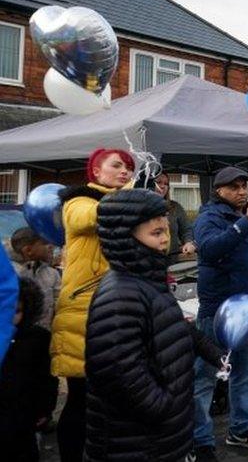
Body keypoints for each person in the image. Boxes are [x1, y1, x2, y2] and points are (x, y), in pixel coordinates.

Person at [85, 189, 225, 461]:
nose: (165, 241)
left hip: (161, 436)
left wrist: (212, 352)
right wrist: (168, 409)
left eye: (165, 231)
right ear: (126, 237)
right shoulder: (120, 294)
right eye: (155, 233)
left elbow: (172, 326)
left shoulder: (148, 280)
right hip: (138, 442)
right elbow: (119, 372)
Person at [52, 147, 134, 462]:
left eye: (128, 167)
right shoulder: (78, 201)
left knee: (112, 398)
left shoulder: (126, 203)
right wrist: (131, 194)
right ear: (96, 172)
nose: (125, 171)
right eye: (117, 166)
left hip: (118, 309)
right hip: (84, 311)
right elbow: (92, 217)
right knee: (81, 398)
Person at [192, 166, 248, 458]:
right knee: (205, 378)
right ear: (219, 190)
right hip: (218, 313)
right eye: (234, 187)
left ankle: (240, 430)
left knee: (245, 374)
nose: (242, 191)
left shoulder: (247, 219)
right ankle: (201, 440)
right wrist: (246, 223)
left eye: (244, 186)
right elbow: (209, 250)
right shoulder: (210, 217)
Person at [0, 279, 58, 461]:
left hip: (24, 414)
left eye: (15, 311)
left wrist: (45, 408)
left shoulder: (38, 338)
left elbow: (47, 377)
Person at [9, 228, 60, 330]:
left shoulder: (52, 274)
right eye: (45, 243)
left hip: (42, 337)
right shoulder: (8, 275)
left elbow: (59, 305)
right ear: (28, 250)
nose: (51, 246)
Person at [153, 172, 195, 264]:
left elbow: (186, 230)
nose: (163, 186)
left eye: (166, 184)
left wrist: (188, 242)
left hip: (172, 259)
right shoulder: (138, 206)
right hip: (147, 260)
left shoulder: (175, 207)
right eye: (159, 182)